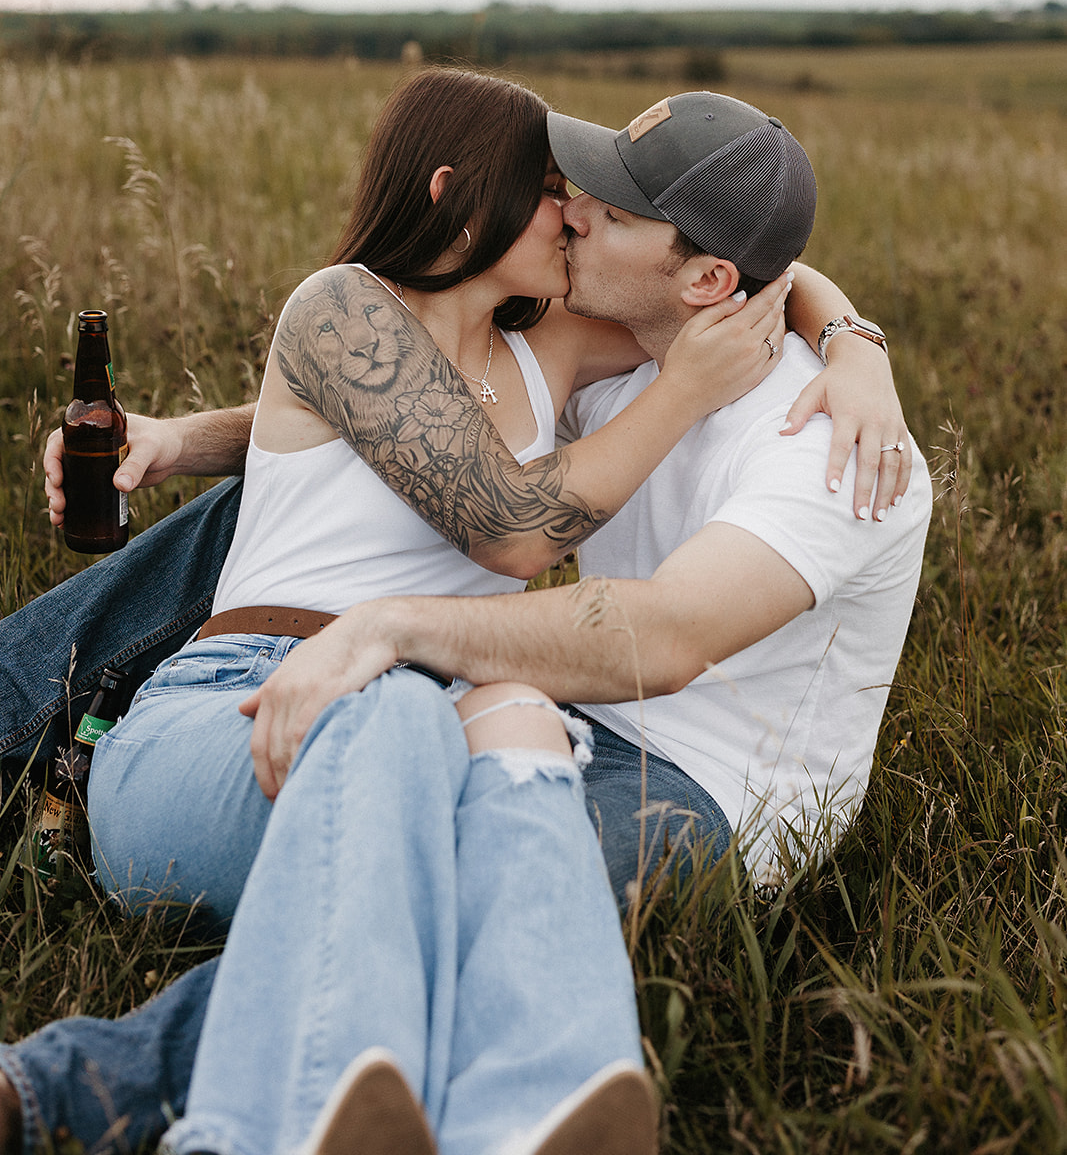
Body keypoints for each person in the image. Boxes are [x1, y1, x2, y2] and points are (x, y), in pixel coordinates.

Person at [0, 86, 922, 1155]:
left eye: (601, 207)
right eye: (553, 193)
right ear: (454, 198)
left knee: (431, 820)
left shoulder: (807, 439)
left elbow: (653, 617)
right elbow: (439, 453)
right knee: (413, 750)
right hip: (275, 704)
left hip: (627, 760)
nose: (574, 211)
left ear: (710, 283)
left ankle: (117, 1093)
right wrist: (190, 438)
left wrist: (855, 345)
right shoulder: (533, 339)